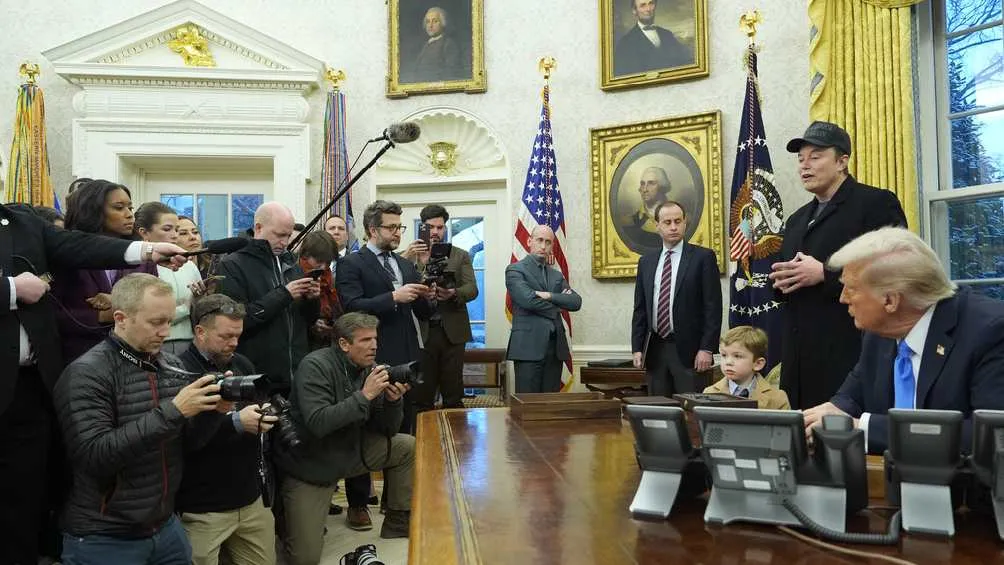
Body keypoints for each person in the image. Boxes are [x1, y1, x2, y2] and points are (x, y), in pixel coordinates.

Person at [0, 202, 186, 565]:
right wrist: (9, 289)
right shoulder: (92, 372)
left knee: (24, 505)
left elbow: (78, 246)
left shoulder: (21, 224)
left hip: (28, 390)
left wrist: (146, 249)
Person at [53, 273, 225, 565]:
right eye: (156, 322)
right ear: (120, 318)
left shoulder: (169, 364)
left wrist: (215, 412)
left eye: (169, 321)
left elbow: (188, 443)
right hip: (105, 536)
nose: (166, 332)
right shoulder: (86, 373)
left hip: (165, 526)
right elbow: (94, 457)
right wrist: (175, 411)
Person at [803, 228, 1004, 454]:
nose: (842, 298)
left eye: (851, 288)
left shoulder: (990, 331)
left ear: (890, 301)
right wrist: (826, 413)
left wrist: (864, 428)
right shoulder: (879, 333)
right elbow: (851, 396)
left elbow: (989, 436)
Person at [770, 121, 907, 409]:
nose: (804, 166)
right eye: (800, 159)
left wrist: (824, 273)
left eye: (815, 157)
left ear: (842, 161)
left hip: (848, 355)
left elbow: (895, 268)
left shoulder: (875, 203)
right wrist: (781, 283)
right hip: (798, 363)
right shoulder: (796, 219)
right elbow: (789, 278)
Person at [276, 313, 416, 565]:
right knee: (304, 558)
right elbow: (319, 423)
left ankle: (397, 520)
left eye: (375, 338)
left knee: (406, 446)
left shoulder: (370, 369)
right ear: (343, 344)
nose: (373, 345)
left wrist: (394, 402)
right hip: (311, 464)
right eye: (365, 340)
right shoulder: (315, 366)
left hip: (349, 450)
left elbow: (387, 430)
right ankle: (287, 522)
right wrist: (365, 395)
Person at [336, 200, 431, 527]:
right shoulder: (353, 263)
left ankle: (397, 502)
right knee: (364, 427)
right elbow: (350, 307)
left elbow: (421, 312)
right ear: (372, 229)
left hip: (406, 357)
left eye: (399, 227)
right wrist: (393, 297)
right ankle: (359, 502)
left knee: (401, 428)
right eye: (392, 227)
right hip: (368, 359)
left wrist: (431, 298)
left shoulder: (404, 265)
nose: (397, 233)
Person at [176, 294, 279, 565]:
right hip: (203, 508)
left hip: (250, 499)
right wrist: (234, 423)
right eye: (225, 336)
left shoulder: (242, 364)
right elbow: (183, 439)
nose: (234, 343)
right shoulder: (178, 372)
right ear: (200, 331)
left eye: (238, 335)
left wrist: (264, 417)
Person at [216, 202, 320, 393]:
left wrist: (312, 299)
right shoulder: (233, 265)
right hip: (256, 373)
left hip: (296, 372)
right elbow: (236, 319)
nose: (285, 242)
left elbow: (308, 321)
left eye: (288, 236)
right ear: (258, 228)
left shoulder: (291, 264)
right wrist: (285, 294)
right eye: (280, 235)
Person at [51, 179, 159, 363]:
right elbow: (51, 315)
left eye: (130, 208)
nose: (129, 215)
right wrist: (101, 316)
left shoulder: (142, 255)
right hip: (82, 357)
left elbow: (156, 305)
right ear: (93, 211)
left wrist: (118, 301)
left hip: (134, 356)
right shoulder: (66, 254)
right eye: (119, 208)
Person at [631, 201, 721, 396]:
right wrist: (637, 348)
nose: (673, 227)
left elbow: (712, 307)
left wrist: (707, 348)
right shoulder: (646, 262)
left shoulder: (703, 257)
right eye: (667, 222)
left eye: (678, 221)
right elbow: (640, 309)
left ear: (685, 223)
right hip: (655, 350)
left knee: (692, 413)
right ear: (657, 226)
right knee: (660, 413)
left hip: (691, 352)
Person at [402, 204, 478, 410]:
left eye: (440, 227)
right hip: (421, 332)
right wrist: (413, 260)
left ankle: (456, 441)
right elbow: (396, 285)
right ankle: (424, 441)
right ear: (422, 228)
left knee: (453, 395)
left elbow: (472, 289)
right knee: (422, 394)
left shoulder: (459, 255)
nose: (435, 232)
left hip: (452, 331)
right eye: (430, 227)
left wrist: (453, 293)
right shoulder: (408, 255)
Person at [506, 225, 582, 393]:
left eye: (548, 242)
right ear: (529, 241)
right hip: (528, 347)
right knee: (528, 406)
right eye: (539, 240)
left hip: (555, 349)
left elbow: (576, 301)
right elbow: (527, 300)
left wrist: (549, 295)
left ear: (552, 246)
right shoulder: (515, 270)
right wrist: (558, 306)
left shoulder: (556, 275)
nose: (543, 246)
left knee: (550, 406)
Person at [135, 202, 207, 355]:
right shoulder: (138, 266)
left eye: (176, 230)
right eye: (168, 229)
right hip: (152, 343)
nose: (174, 235)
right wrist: (185, 308)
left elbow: (198, 309)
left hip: (189, 341)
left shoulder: (189, 265)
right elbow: (143, 314)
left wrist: (199, 300)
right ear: (144, 233)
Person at [703, 326, 790, 409]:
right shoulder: (709, 393)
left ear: (758, 364)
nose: (728, 362)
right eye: (724, 355)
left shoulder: (778, 398)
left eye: (737, 356)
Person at [614, 0, 694, 76]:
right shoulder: (625, 43)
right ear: (634, 11)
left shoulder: (667, 34)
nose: (648, 9)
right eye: (643, 5)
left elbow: (683, 61)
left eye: (651, 3)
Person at [298, 230, 341, 351]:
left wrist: (332, 324)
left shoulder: (328, 275)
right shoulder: (293, 273)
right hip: (303, 343)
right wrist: (312, 323)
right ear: (305, 254)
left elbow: (335, 305)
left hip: (326, 341)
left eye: (327, 262)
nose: (323, 266)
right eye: (319, 261)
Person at [408, 6, 463, 83]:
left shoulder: (448, 44)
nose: (430, 25)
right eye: (427, 22)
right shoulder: (426, 44)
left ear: (443, 23)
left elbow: (451, 74)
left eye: (435, 21)